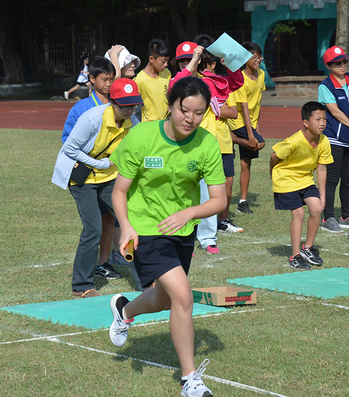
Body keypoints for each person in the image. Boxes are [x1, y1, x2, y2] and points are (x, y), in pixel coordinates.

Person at [108, 77, 226, 397]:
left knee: (164, 299)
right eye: (183, 109)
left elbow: (219, 200)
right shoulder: (142, 136)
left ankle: (124, 311)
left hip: (182, 231)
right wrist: (126, 226)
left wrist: (189, 214)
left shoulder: (207, 143)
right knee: (183, 296)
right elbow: (119, 191)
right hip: (146, 229)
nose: (190, 118)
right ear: (170, 105)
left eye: (198, 113)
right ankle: (190, 379)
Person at [51, 79, 142, 298]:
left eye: (134, 105)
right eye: (125, 106)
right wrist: (101, 164)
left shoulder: (133, 121)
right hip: (81, 176)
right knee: (93, 228)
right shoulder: (93, 118)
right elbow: (70, 148)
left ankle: (147, 282)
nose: (130, 110)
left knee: (132, 222)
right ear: (113, 103)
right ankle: (82, 286)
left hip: (109, 177)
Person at [170, 40, 244, 253]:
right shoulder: (179, 83)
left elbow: (236, 82)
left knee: (209, 194)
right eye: (182, 61)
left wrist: (230, 62)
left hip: (205, 144)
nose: (186, 64)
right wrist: (193, 60)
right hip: (181, 144)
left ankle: (208, 238)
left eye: (190, 60)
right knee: (181, 192)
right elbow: (176, 85)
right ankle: (183, 238)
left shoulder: (208, 83)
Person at [269, 102, 333, 269]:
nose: (322, 123)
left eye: (324, 119)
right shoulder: (294, 141)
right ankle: (295, 256)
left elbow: (322, 167)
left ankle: (307, 248)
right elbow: (274, 156)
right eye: (318, 119)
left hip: (304, 179)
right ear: (306, 123)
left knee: (317, 208)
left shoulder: (324, 141)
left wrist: (323, 196)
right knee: (298, 213)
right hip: (286, 179)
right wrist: (272, 173)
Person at [318, 46, 349, 233]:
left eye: (344, 61)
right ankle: (328, 217)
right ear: (329, 66)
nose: (342, 65)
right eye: (337, 63)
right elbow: (335, 112)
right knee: (332, 178)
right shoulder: (325, 86)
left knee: (348, 179)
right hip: (334, 137)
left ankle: (347, 215)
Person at [227, 41, 266, 215]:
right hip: (239, 123)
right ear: (245, 59)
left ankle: (242, 202)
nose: (257, 59)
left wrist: (257, 127)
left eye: (259, 56)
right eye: (253, 56)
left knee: (246, 164)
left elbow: (258, 101)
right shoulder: (240, 78)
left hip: (251, 123)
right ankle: (231, 137)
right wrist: (251, 135)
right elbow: (243, 107)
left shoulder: (262, 75)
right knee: (259, 143)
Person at [134, 38, 171, 122]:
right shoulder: (139, 80)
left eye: (167, 61)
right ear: (151, 59)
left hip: (165, 123)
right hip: (148, 125)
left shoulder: (167, 73)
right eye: (163, 61)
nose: (166, 64)